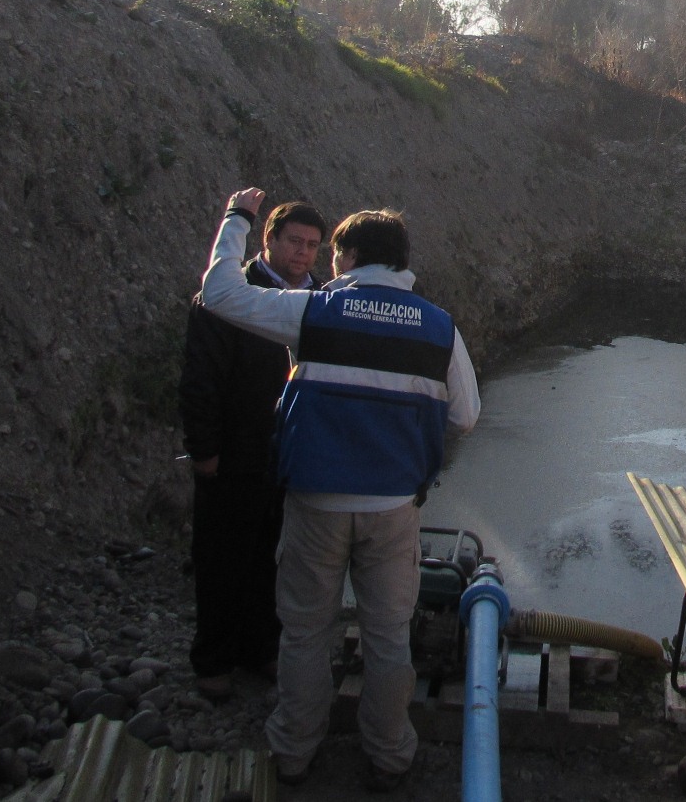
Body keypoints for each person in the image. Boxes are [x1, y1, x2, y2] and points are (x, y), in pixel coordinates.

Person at [198, 187, 481, 792]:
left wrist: (236, 221)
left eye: (333, 255)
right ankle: (388, 753)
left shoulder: (311, 312)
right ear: (402, 263)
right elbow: (466, 416)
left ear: (348, 259)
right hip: (393, 507)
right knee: (387, 635)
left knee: (304, 631)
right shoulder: (440, 329)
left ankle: (294, 750)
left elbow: (218, 295)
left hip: (315, 504)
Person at [179, 200, 328, 702]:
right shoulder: (234, 297)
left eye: (312, 245)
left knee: (273, 557)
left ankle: (261, 647)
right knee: (221, 556)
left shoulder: (320, 303)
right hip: (233, 450)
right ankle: (215, 660)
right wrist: (204, 449)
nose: (303, 253)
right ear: (269, 240)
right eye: (294, 241)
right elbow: (200, 377)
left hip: (285, 458)